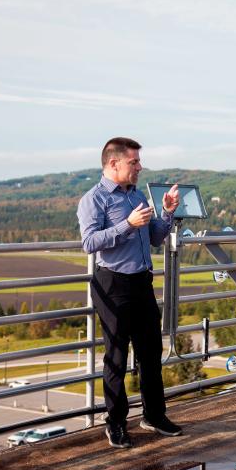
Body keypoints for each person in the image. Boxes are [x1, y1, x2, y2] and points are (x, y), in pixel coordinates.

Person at [77, 137, 183, 449]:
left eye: (138, 162)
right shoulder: (94, 200)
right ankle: (116, 422)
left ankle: (154, 415)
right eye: (134, 162)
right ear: (113, 164)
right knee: (117, 357)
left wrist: (166, 214)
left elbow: (154, 239)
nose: (139, 167)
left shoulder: (136, 194)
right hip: (113, 285)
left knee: (151, 353)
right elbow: (89, 243)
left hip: (141, 283)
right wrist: (127, 224)